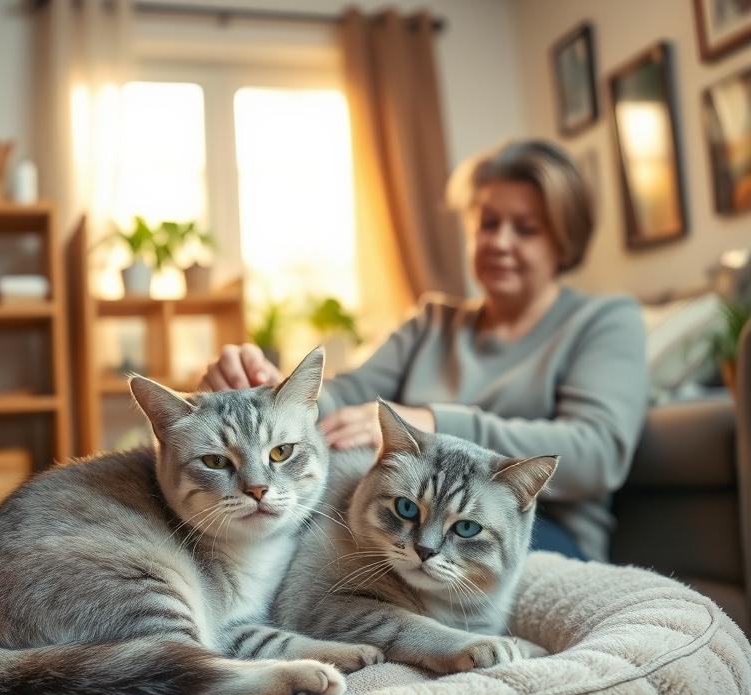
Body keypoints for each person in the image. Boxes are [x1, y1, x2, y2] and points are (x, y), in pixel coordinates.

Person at [201, 140, 648, 562]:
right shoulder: (432, 323)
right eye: (488, 223)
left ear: (563, 240)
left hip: (529, 536)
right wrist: (270, 398)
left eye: (526, 229)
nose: (499, 241)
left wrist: (432, 423)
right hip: (408, 527)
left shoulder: (604, 320)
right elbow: (344, 395)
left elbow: (597, 451)